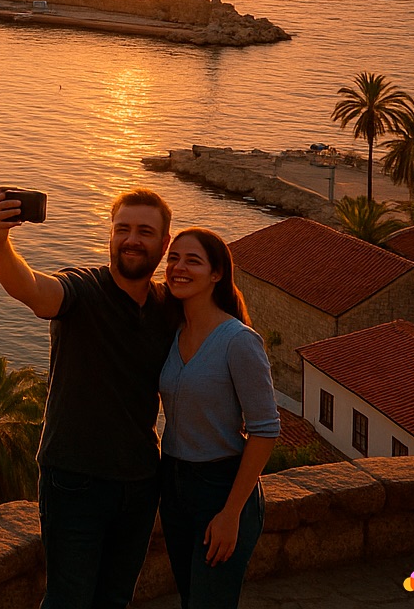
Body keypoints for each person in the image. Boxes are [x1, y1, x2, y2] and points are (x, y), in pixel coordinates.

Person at [0, 187, 178, 609]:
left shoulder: (168, 308)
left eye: (145, 231)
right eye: (122, 228)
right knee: (68, 600)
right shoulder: (83, 290)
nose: (132, 239)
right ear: (109, 236)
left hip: (141, 483)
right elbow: (32, 288)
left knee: (114, 601)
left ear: (164, 244)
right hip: (75, 480)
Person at [157, 227, 280, 608]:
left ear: (216, 274)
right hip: (173, 481)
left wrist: (231, 514)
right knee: (191, 597)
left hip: (221, 486)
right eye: (173, 258)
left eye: (193, 260)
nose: (179, 267)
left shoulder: (238, 341)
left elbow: (265, 430)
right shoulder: (172, 332)